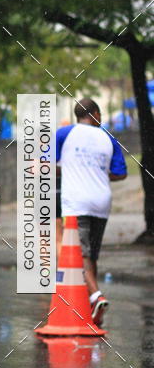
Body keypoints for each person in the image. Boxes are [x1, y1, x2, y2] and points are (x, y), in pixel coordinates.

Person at [56, 97, 127, 325]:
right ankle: (92, 309)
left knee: (81, 254)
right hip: (101, 202)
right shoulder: (108, 138)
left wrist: (68, 169)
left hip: (77, 203)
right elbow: (120, 173)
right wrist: (96, 172)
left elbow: (44, 165)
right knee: (91, 255)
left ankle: (96, 296)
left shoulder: (63, 134)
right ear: (95, 113)